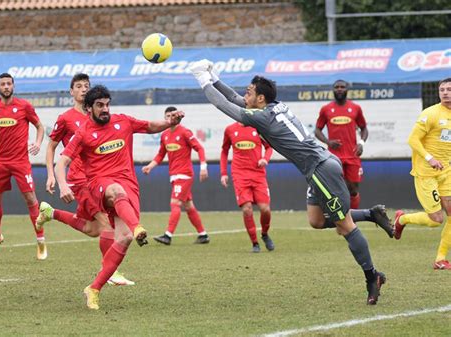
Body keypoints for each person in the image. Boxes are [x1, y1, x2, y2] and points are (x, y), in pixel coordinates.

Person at [189, 59, 391, 305]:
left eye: (250, 91)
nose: (245, 94)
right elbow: (235, 99)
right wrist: (215, 76)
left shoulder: (263, 118)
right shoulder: (275, 106)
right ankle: (371, 214)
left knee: (344, 226)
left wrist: (202, 78)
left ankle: (373, 276)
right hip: (320, 165)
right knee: (317, 221)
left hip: (320, 170)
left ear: (261, 99)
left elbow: (224, 105)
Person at [55, 84, 184, 310]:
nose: (105, 109)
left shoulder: (122, 121)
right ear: (89, 109)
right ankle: (137, 227)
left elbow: (151, 126)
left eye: (107, 104)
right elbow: (62, 162)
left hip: (129, 185)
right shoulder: (83, 132)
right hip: (100, 185)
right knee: (116, 193)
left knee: (122, 238)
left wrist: (169, 123)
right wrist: (63, 184)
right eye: (99, 105)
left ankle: (93, 288)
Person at [36, 73, 134, 285]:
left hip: (98, 178)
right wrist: (52, 175)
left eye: (86, 86)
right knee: (108, 225)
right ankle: (110, 272)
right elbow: (52, 147)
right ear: (71, 92)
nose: (83, 89)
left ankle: (50, 213)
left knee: (93, 229)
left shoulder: (99, 117)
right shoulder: (65, 118)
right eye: (78, 86)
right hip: (80, 180)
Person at [0, 73, 46, 260]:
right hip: (0, 162)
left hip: (20, 162)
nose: (6, 86)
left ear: (13, 86)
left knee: (30, 198)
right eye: (2, 84)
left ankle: (40, 240)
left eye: (9, 83)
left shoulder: (24, 106)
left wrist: (37, 143)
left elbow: (40, 126)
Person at [394, 78, 451, 270]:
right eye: (442, 89)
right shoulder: (431, 114)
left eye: (449, 89)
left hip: (447, 171)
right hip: (426, 172)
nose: (445, 92)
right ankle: (402, 219)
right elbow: (413, 140)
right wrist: (430, 158)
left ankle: (440, 258)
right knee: (436, 220)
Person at [142, 106, 210, 245]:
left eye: (172, 116)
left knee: (175, 203)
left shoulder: (185, 132)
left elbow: (200, 148)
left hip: (184, 175)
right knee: (189, 206)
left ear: (176, 117)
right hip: (174, 175)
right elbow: (161, 154)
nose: (169, 119)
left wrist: (203, 167)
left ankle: (168, 235)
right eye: (167, 117)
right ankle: (203, 235)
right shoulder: (165, 134)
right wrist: (150, 166)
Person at [220, 121, 274, 253]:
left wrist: (265, 159)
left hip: (258, 174)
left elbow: (269, 147)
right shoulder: (230, 129)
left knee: (265, 209)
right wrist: (223, 173)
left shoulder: (258, 127)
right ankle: (255, 243)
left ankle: (265, 234)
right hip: (239, 174)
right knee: (247, 209)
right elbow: (224, 151)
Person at [315, 80, 368, 211]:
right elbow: (317, 130)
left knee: (353, 189)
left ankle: (353, 218)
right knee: (334, 189)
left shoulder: (355, 108)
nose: (339, 89)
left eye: (342, 87)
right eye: (337, 87)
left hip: (352, 155)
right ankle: (338, 218)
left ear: (347, 89)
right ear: (333, 90)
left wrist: (361, 143)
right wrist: (328, 142)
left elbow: (364, 128)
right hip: (333, 157)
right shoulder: (326, 109)